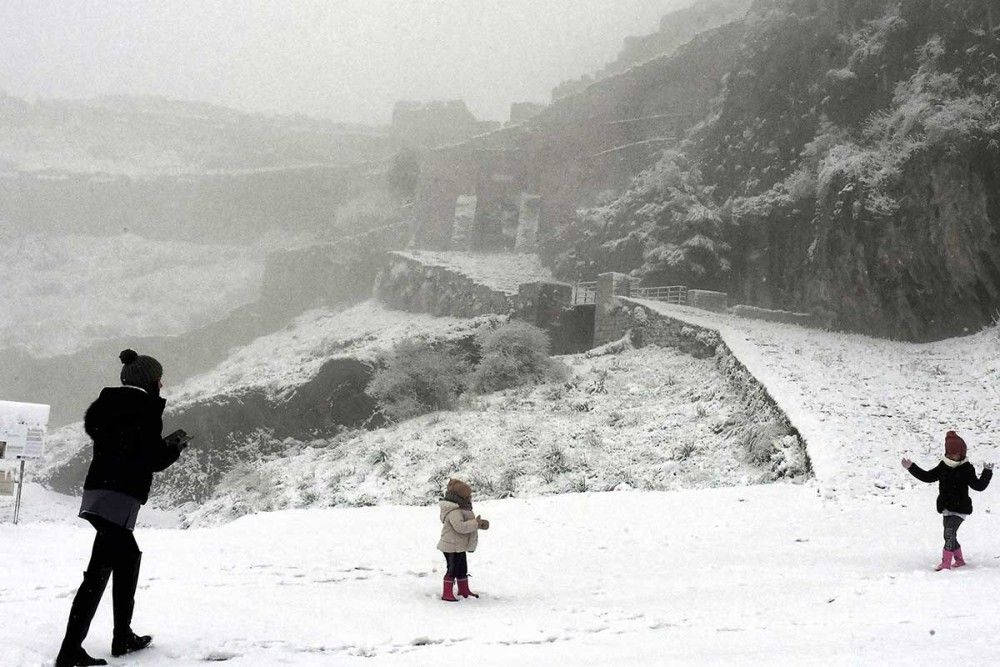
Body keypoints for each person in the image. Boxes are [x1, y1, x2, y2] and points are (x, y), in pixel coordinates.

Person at [56, 350, 190, 667]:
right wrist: (174, 449)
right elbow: (150, 458)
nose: (162, 383)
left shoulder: (109, 408)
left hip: (97, 494)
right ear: (149, 381)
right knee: (103, 570)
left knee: (122, 559)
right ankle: (72, 650)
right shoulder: (143, 409)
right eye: (159, 378)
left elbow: (118, 444)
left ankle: (120, 637)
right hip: (120, 498)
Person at [902, 430, 993, 571]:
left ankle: (946, 563)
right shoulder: (943, 466)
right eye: (950, 453)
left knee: (949, 533)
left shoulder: (966, 469)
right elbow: (927, 477)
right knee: (950, 535)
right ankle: (960, 560)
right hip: (946, 507)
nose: (953, 456)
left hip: (960, 508)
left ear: (961, 454)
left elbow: (979, 486)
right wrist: (911, 467)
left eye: (955, 453)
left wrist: (987, 471)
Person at [437, 478, 489, 601]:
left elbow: (467, 524)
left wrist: (479, 524)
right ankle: (447, 592)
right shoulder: (454, 511)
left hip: (459, 545)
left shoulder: (463, 508)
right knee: (452, 569)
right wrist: (475, 523)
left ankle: (464, 589)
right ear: (460, 497)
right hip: (450, 546)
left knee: (462, 568)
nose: (470, 498)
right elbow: (460, 527)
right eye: (468, 496)